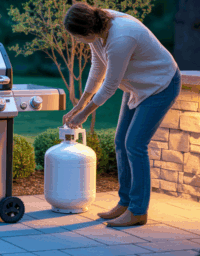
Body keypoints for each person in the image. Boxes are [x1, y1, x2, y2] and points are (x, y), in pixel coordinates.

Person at [62, 2, 181, 227]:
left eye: (76, 36)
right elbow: (98, 68)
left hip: (160, 85)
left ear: (87, 30)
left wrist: (84, 114)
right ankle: (124, 203)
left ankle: (138, 211)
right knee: (121, 141)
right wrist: (79, 105)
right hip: (136, 86)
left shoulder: (121, 37)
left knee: (135, 144)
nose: (76, 41)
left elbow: (109, 86)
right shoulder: (97, 32)